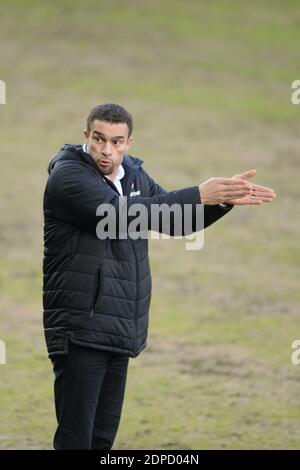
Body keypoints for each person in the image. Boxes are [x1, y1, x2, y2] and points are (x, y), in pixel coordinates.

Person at [43, 103, 275, 450]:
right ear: (85, 137)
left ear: (129, 142)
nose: (107, 150)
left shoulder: (133, 177)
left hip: (119, 327)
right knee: (77, 440)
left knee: (101, 440)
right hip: (81, 328)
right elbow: (116, 216)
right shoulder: (68, 177)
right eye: (99, 139)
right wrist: (198, 193)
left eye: (117, 142)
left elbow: (173, 219)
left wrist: (221, 201)